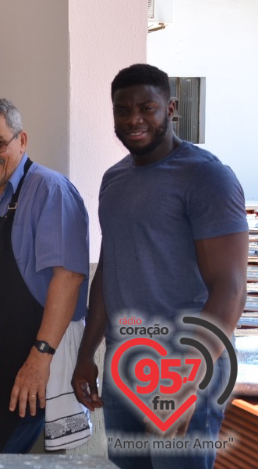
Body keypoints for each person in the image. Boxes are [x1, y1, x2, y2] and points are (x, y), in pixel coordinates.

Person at [72, 64, 248, 469]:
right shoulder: (114, 180)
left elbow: (230, 289)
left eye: (146, 107)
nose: (133, 119)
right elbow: (109, 272)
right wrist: (87, 354)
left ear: (170, 109)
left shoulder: (206, 177)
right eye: (122, 110)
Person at [0, 98, 90, 453]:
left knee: (3, 456)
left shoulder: (49, 190)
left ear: (21, 141)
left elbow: (68, 279)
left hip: (30, 355)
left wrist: (40, 358)